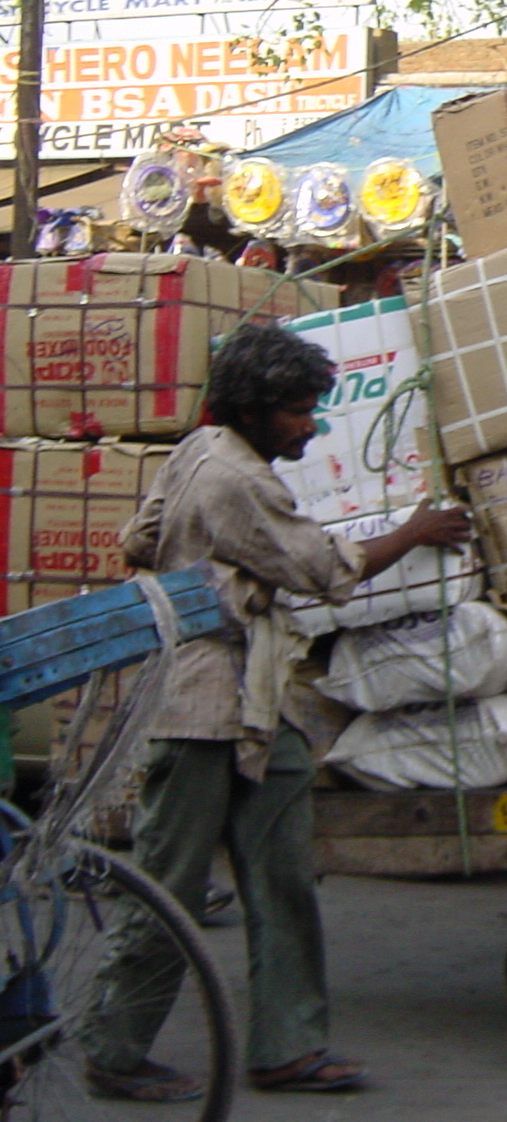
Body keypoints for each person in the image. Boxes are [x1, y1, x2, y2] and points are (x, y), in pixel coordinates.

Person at [83, 324, 473, 1100]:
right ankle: (114, 1050)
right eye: (298, 411)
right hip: (198, 710)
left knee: (284, 874)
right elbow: (323, 570)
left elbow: (139, 539)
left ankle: (286, 1047)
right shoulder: (238, 480)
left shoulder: (197, 452)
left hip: (261, 705)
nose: (310, 426)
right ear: (255, 410)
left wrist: (207, 574)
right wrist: (417, 530)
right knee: (170, 882)